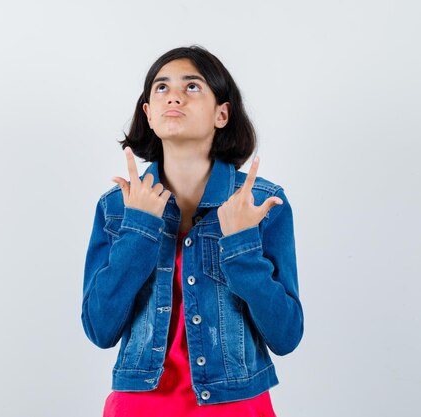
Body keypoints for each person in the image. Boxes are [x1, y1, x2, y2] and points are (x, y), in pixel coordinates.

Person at [81, 45, 304, 417]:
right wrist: (139, 230)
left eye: (193, 87)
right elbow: (99, 329)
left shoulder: (261, 204)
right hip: (139, 407)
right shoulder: (117, 207)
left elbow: (286, 336)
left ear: (222, 114)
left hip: (235, 406)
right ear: (148, 115)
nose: (175, 96)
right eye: (162, 87)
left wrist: (241, 246)